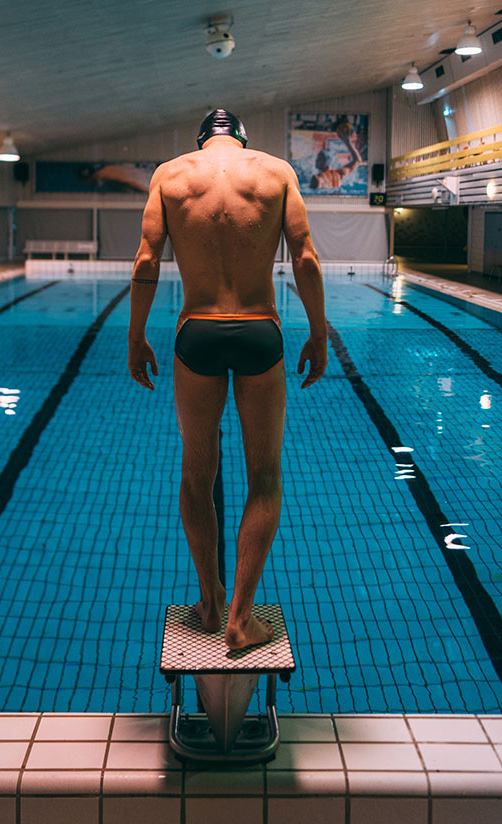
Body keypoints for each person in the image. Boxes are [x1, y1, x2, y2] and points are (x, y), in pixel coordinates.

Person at [128, 109, 327, 650]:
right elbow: (305, 257)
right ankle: (241, 615)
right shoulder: (275, 171)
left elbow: (146, 260)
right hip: (261, 329)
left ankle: (210, 601)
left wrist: (135, 335)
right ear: (242, 139)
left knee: (197, 476)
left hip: (198, 333)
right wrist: (318, 332)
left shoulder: (170, 175)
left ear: (201, 140)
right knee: (264, 477)